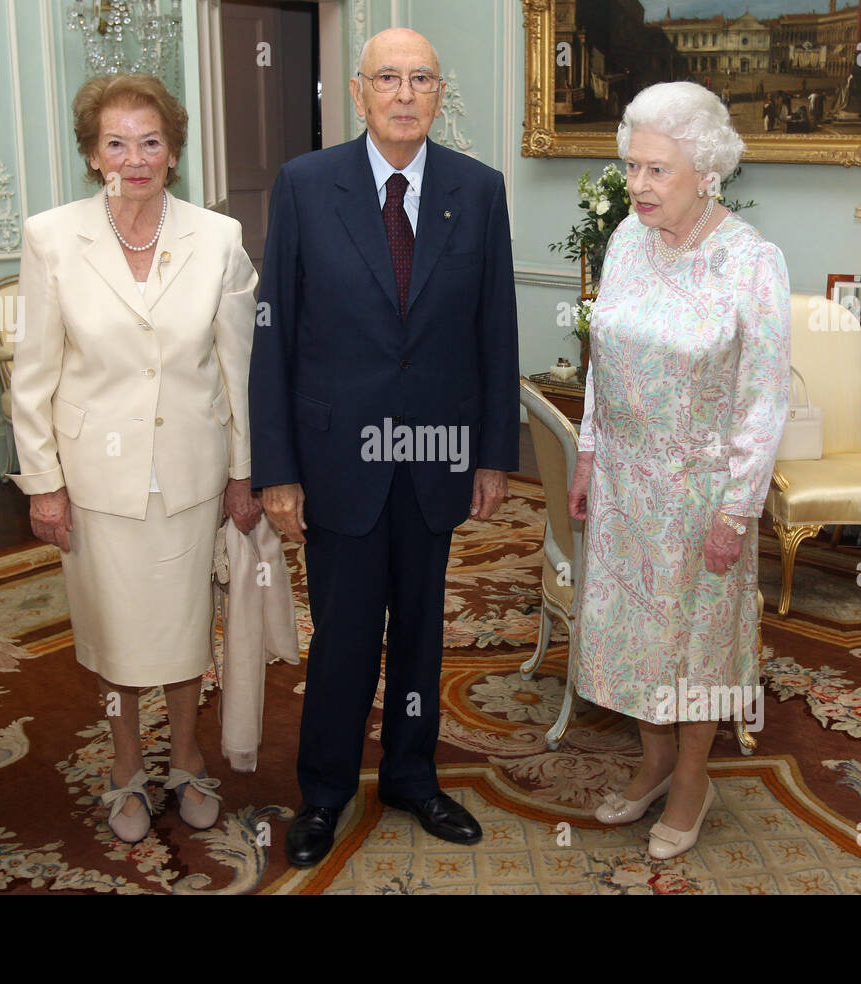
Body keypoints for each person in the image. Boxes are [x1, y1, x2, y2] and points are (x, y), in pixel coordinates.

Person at [250, 27, 519, 868]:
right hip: (337, 462)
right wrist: (278, 469)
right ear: (359, 92)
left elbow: (495, 330)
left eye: (422, 79)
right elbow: (275, 339)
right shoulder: (303, 185)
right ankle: (325, 791)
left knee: (421, 636)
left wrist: (492, 454)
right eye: (388, 79)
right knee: (343, 635)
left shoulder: (478, 190)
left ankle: (410, 773)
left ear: (441, 95)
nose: (405, 94)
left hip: (437, 458)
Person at [8, 74, 261, 844]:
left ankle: (184, 758)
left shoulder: (217, 238)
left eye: (150, 141)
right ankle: (125, 766)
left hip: (190, 469)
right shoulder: (52, 237)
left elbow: (236, 368)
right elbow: (34, 375)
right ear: (92, 154)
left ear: (174, 149)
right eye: (115, 142)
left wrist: (242, 473)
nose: (135, 158)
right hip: (96, 480)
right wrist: (44, 485)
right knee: (115, 637)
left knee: (187, 630)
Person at [568, 81, 790, 860]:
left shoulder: (752, 262)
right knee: (636, 636)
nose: (638, 185)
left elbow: (764, 400)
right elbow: (602, 355)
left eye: (657, 170)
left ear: (705, 170)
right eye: (632, 167)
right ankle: (654, 762)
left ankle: (693, 775)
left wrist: (737, 508)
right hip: (628, 483)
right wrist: (589, 450)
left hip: (700, 494)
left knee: (695, 643)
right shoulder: (628, 237)